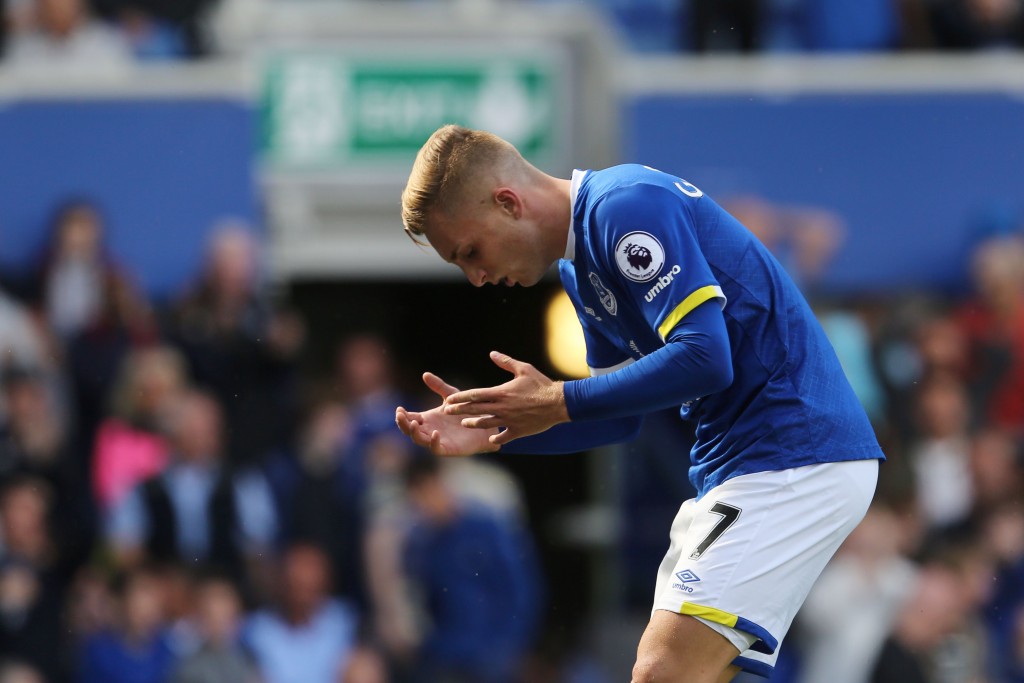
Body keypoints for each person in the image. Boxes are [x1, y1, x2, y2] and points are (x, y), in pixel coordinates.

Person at [394, 125, 885, 683]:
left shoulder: (625, 207)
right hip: (750, 463)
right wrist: (502, 429)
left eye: (470, 252)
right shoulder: (579, 269)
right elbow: (621, 416)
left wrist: (557, 399)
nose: (477, 278)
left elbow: (706, 356)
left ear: (508, 202)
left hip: (794, 452)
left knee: (662, 672)